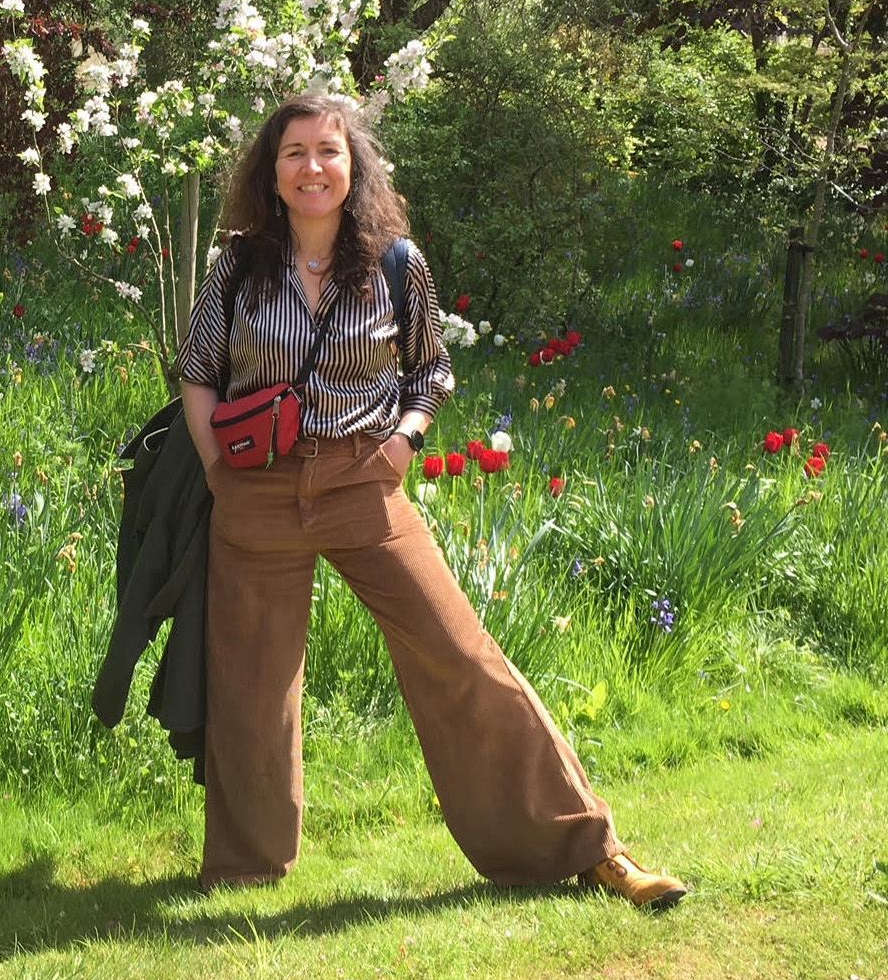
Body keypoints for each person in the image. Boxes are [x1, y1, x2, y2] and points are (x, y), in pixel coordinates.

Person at [176, 92, 687, 909]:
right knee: (250, 682)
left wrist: (403, 440)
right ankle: (244, 867)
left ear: (353, 164)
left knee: (461, 658)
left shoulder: (393, 262)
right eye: (294, 153)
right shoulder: (237, 264)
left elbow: (432, 369)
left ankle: (587, 847)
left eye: (328, 151)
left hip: (361, 484)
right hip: (257, 487)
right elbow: (197, 370)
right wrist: (217, 471)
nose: (312, 167)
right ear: (270, 173)